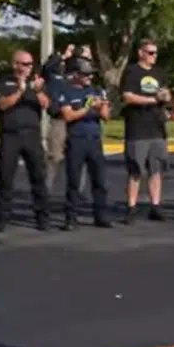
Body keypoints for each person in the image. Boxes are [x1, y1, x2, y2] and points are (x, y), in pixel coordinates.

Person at [0, 50, 51, 231]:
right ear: (15, 64)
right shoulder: (4, 81)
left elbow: (46, 104)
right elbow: (1, 104)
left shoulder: (37, 82)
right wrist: (20, 90)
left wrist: (38, 91)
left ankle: (42, 217)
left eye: (30, 64)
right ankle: (2, 217)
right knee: (6, 178)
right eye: (24, 64)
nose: (28, 68)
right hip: (10, 135)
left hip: (31, 134)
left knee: (38, 176)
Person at [57, 56, 113, 230]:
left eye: (90, 75)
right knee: (74, 180)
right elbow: (68, 116)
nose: (89, 78)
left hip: (94, 140)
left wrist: (102, 106)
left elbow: (106, 117)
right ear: (75, 74)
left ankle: (101, 215)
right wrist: (88, 107)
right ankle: (71, 218)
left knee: (100, 180)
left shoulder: (97, 90)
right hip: (76, 139)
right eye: (85, 75)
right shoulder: (66, 92)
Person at [120, 39, 171, 224]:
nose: (154, 56)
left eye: (156, 53)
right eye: (150, 53)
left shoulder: (159, 72)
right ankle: (131, 206)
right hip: (137, 127)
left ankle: (155, 206)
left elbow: (166, 93)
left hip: (156, 128)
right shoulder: (132, 72)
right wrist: (152, 100)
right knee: (135, 170)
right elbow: (127, 96)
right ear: (141, 53)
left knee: (156, 169)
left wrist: (165, 97)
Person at [42, 44, 91, 190]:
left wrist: (85, 56)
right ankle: (46, 189)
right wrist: (63, 55)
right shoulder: (52, 76)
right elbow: (46, 67)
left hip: (77, 119)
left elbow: (87, 73)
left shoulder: (73, 74)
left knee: (79, 157)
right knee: (54, 157)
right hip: (59, 119)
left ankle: (77, 192)